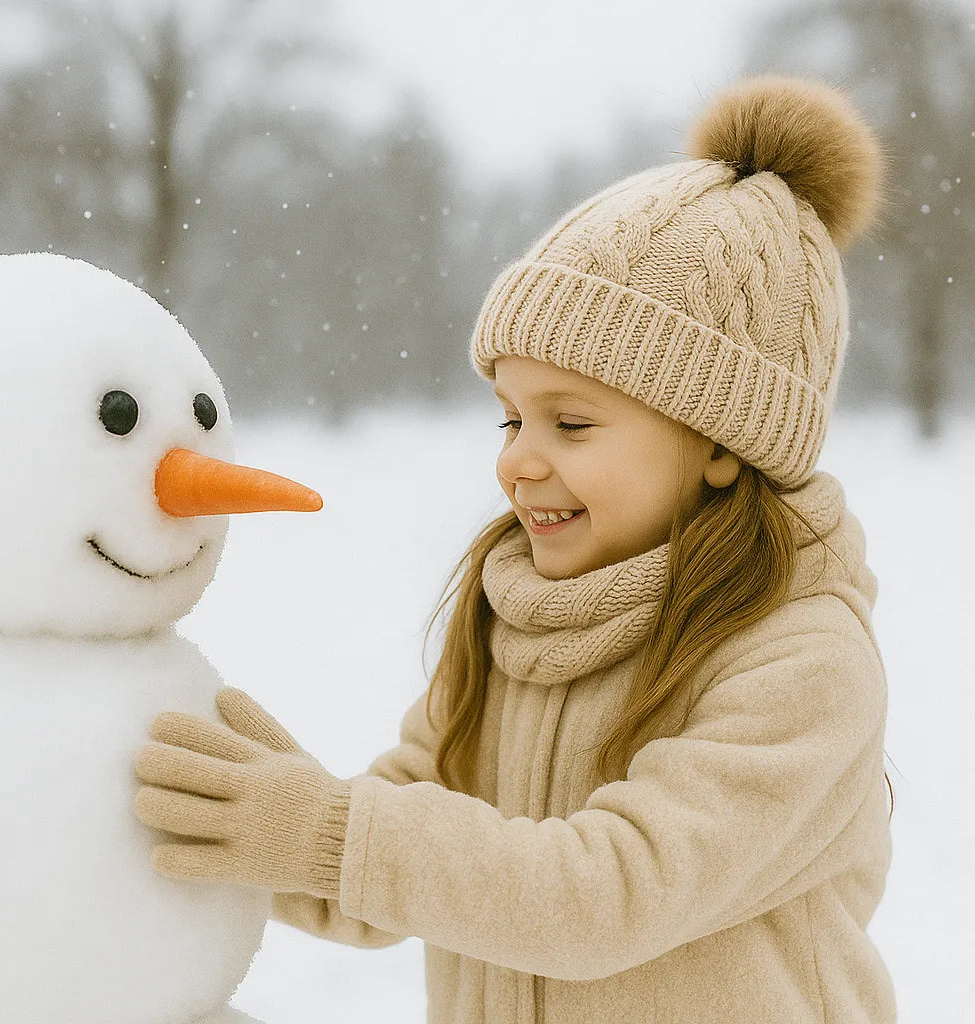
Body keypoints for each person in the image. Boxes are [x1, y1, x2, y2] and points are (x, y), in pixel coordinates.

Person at [133, 73, 898, 1023]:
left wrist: (336, 834)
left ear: (718, 446)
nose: (518, 463)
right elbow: (382, 865)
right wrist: (246, 820)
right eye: (510, 419)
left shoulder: (800, 667)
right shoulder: (517, 619)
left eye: (571, 423)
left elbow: (609, 896)